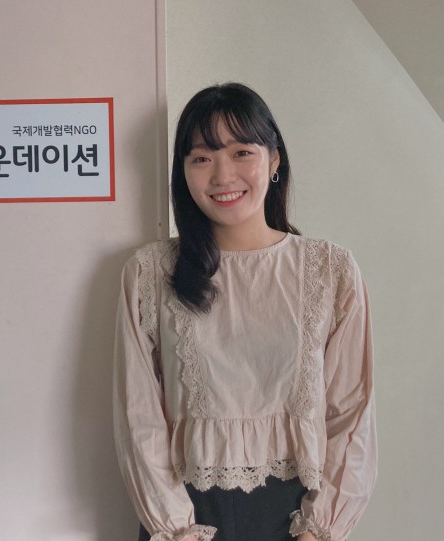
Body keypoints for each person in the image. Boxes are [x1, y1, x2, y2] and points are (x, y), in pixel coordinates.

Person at [113, 82, 376, 541]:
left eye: (241, 153)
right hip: (184, 517)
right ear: (183, 172)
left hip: (299, 517)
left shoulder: (329, 270)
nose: (222, 175)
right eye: (201, 158)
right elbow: (139, 416)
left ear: (273, 161)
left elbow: (351, 413)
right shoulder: (150, 272)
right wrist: (176, 528)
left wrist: (320, 528)